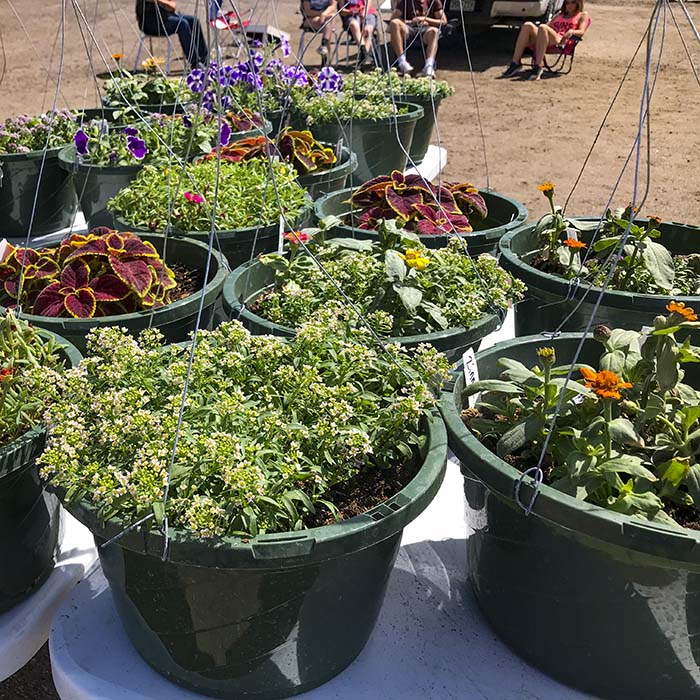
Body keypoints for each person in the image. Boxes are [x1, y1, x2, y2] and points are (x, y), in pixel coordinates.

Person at [502, 0, 589, 81]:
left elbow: (581, 31)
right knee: (527, 25)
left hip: (560, 41)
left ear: (578, 3)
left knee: (543, 27)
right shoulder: (560, 14)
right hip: (546, 38)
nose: (569, 5)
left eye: (573, 2)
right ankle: (516, 62)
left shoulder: (582, 15)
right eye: (567, 3)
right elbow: (547, 25)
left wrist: (571, 31)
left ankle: (538, 67)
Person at [135, 0, 209, 70]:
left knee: (194, 21)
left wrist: (167, 4)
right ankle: (195, 62)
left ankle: (204, 60)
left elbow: (172, 6)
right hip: (150, 22)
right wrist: (164, 3)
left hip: (166, 17)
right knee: (182, 24)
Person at [389, 0, 447, 78]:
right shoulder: (405, 1)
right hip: (409, 29)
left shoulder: (434, 1)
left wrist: (425, 19)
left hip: (426, 30)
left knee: (434, 31)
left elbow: (443, 21)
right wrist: (409, 21)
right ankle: (402, 62)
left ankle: (429, 66)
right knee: (394, 23)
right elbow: (393, 18)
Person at [340, 0, 377, 68]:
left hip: (367, 13)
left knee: (368, 29)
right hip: (351, 16)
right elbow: (342, 11)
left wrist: (364, 12)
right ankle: (364, 52)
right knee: (354, 24)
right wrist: (350, 11)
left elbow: (369, 3)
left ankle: (363, 56)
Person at [301, 0, 339, 66]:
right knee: (328, 26)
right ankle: (324, 47)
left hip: (326, 18)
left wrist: (324, 14)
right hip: (311, 19)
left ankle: (324, 46)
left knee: (329, 22)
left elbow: (333, 6)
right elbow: (308, 11)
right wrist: (321, 14)